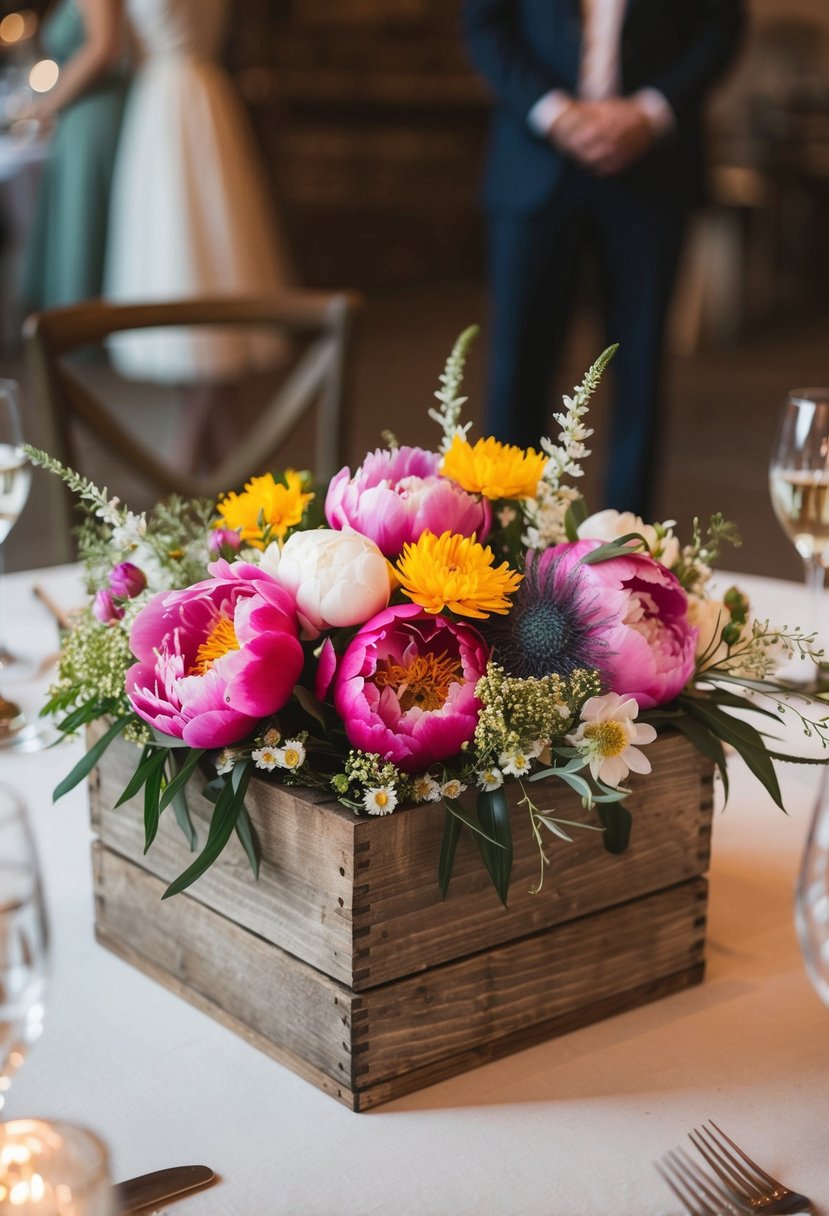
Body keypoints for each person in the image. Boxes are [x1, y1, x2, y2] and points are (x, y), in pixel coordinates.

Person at [462, 0, 745, 518]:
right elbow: (485, 23)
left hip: (652, 167)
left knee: (640, 373)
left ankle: (626, 560)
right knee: (516, 370)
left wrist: (651, 110)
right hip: (534, 160)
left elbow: (721, 25)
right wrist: (555, 112)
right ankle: (501, 552)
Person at [104, 0, 291, 385]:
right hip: (206, 93)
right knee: (210, 240)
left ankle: (198, 433)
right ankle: (214, 434)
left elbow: (114, 51)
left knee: (189, 241)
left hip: (164, 101)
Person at [21, 0, 128, 310]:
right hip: (80, 115)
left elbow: (104, 48)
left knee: (86, 224)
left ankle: (83, 327)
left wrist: (46, 106)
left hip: (95, 116)